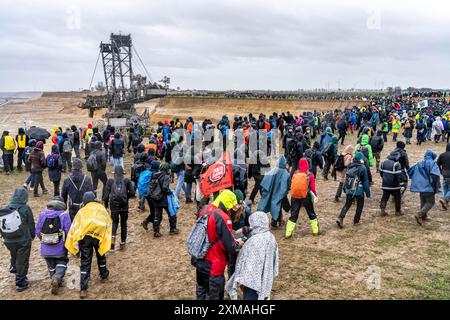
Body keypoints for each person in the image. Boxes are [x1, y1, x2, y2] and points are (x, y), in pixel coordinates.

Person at [193, 189, 245, 300]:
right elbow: (229, 246)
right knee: (214, 295)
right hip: (214, 264)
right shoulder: (222, 217)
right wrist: (238, 243)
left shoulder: (205, 209)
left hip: (200, 258)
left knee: (201, 291)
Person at [65, 192, 111, 299]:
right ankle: (104, 275)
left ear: (85, 200)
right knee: (101, 255)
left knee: (85, 261)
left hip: (85, 239)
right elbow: (108, 222)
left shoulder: (81, 211)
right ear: (94, 199)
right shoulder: (101, 208)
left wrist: (75, 242)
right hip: (99, 237)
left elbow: (75, 226)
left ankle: (83, 289)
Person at [225, 211, 278, 300]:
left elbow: (244, 260)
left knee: (250, 296)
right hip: (264, 274)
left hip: (251, 279)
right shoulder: (271, 237)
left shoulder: (253, 241)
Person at [0, 188, 35, 291]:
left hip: (8, 239)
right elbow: (31, 223)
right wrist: (32, 236)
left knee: (14, 255)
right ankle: (21, 283)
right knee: (22, 260)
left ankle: (14, 267)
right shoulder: (26, 208)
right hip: (23, 239)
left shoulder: (6, 208)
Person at [35, 196, 71, 295]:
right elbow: (68, 231)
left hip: (46, 247)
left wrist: (44, 240)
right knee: (62, 261)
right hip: (60, 247)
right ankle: (57, 277)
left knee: (50, 264)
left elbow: (38, 231)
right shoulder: (64, 215)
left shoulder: (42, 214)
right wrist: (68, 243)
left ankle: (54, 279)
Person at [103, 165, 135, 250]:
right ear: (122, 173)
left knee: (114, 222)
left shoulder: (110, 181)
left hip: (114, 206)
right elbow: (133, 192)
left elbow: (105, 196)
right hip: (124, 206)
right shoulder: (126, 181)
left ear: (114, 173)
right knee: (124, 224)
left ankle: (113, 239)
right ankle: (123, 243)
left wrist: (106, 206)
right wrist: (126, 197)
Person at [286, 158, 319, 238]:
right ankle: (315, 231)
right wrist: (315, 195)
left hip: (294, 196)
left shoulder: (295, 173)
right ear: (307, 164)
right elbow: (312, 187)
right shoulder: (310, 174)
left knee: (293, 214)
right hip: (305, 196)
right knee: (311, 213)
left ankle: (288, 233)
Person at [336, 152, 371, 228]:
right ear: (361, 159)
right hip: (359, 191)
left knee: (347, 204)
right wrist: (368, 193)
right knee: (360, 205)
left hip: (349, 189)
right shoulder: (362, 167)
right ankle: (356, 221)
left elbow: (346, 179)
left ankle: (340, 217)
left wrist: (345, 189)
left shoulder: (350, 166)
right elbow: (365, 181)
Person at [408, 150, 441, 226]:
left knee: (423, 201)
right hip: (428, 186)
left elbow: (410, 172)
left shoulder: (419, 163)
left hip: (420, 187)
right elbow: (435, 175)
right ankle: (420, 214)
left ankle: (424, 216)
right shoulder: (433, 164)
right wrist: (435, 185)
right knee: (430, 202)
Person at [257, 155, 291, 228]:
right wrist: (285, 192)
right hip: (280, 193)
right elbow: (288, 185)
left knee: (275, 206)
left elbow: (265, 181)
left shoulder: (273, 170)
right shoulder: (286, 173)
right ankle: (275, 221)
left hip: (271, 192)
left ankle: (276, 221)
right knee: (277, 205)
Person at [149, 163, 179, 237]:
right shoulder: (166, 177)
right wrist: (170, 192)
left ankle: (156, 231)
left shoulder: (155, 175)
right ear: (166, 169)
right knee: (171, 213)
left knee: (157, 215)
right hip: (163, 198)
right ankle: (173, 229)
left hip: (155, 198)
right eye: (169, 169)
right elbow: (165, 188)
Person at [379, 152, 404, 216]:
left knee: (384, 197)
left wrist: (384, 179)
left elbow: (381, 173)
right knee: (398, 198)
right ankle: (398, 212)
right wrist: (401, 184)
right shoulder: (396, 164)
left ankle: (382, 210)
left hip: (385, 184)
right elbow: (399, 176)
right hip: (394, 186)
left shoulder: (383, 162)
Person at [437, 143, 450, 210]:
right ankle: (444, 199)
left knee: (445, 189)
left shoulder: (442, 155)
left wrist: (441, 171)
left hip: (444, 174)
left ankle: (445, 204)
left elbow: (437, 164)